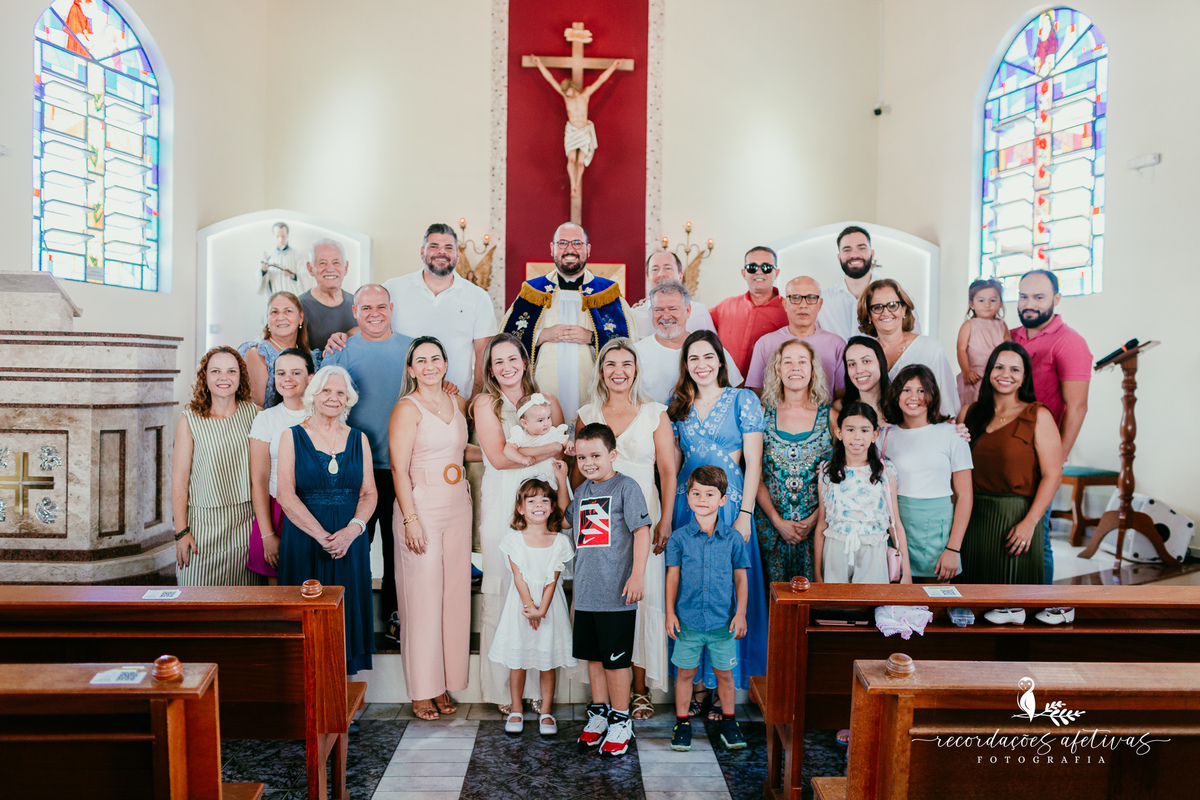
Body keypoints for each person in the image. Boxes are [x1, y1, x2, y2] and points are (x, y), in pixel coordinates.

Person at [576, 338, 677, 720]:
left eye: (626, 364)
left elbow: (667, 470)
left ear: (635, 369)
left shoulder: (654, 413)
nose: (618, 371)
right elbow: (579, 474)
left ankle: (639, 691)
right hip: (600, 519)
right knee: (606, 598)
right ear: (601, 371)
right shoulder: (587, 413)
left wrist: (665, 517)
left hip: (643, 515)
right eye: (610, 364)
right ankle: (603, 699)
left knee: (641, 595)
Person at [669, 330, 767, 717]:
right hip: (687, 505)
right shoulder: (677, 405)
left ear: (721, 361)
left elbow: (754, 462)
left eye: (709, 356)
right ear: (686, 365)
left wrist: (745, 514)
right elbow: (674, 464)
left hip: (730, 506)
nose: (702, 365)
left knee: (725, 588)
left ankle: (719, 686)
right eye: (694, 358)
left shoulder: (744, 400)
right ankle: (694, 685)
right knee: (692, 589)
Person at [471, 334, 567, 715]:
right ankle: (501, 690)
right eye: (498, 362)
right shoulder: (484, 403)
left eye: (513, 358)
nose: (506, 367)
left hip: (541, 501)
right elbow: (496, 458)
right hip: (502, 503)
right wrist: (547, 449)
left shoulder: (550, 402)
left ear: (525, 362)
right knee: (502, 590)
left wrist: (526, 453)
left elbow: (565, 453)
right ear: (490, 369)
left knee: (541, 582)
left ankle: (535, 689)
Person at [389, 337, 477, 720]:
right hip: (422, 505)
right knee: (422, 601)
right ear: (411, 369)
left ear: (444, 363)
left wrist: (521, 451)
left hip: (458, 503)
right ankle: (421, 689)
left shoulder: (456, 403)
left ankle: (443, 682)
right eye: (420, 360)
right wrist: (410, 518)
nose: (429, 366)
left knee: (453, 599)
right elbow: (398, 467)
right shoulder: (406, 409)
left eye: (435, 359)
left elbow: (464, 451)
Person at [322, 284, 414, 643]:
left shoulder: (411, 348)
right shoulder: (341, 350)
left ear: (391, 307)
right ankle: (353, 621)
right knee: (355, 547)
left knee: (399, 548)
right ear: (354, 312)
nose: (374, 313)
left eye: (381, 306)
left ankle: (395, 617)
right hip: (354, 468)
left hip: (401, 467)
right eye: (366, 307)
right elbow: (324, 404)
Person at [275, 366, 377, 674]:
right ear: (312, 395)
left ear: (349, 400)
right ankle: (306, 704)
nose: (333, 397)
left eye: (340, 392)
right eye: (326, 391)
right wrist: (322, 537)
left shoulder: (360, 439)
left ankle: (342, 701)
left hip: (350, 544)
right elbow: (285, 495)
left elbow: (369, 494)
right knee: (306, 620)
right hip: (305, 541)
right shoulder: (291, 437)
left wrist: (351, 532)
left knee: (346, 616)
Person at [565, 422, 651, 758]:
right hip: (587, 592)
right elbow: (568, 522)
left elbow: (642, 532)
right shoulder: (582, 490)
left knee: (616, 662)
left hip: (617, 593)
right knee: (594, 659)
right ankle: (599, 715)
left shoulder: (626, 488)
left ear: (612, 454)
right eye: (582, 456)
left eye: (596, 455)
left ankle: (620, 720)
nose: (588, 462)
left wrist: (637, 575)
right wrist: (561, 480)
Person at [500, 222, 635, 421]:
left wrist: (591, 337)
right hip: (543, 392)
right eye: (562, 243)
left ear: (588, 249)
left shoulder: (607, 294)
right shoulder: (532, 292)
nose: (570, 249)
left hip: (593, 392)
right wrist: (543, 335)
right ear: (552, 248)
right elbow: (505, 343)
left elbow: (629, 345)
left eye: (577, 243)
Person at [957, 343, 1063, 593]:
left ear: (1025, 376)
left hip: (1016, 519)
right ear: (989, 371)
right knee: (971, 598)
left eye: (1015, 369)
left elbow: (1053, 475)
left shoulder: (1038, 415)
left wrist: (1030, 522)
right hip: (972, 518)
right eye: (999, 367)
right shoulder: (968, 414)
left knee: (1014, 602)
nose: (1006, 374)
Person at [1011, 269, 1092, 585]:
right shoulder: (1011, 334)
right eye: (1023, 296)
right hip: (1007, 446)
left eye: (1038, 297)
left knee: (1037, 531)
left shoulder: (1069, 342)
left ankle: (1045, 602)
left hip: (1040, 453)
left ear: (1056, 299)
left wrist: (1057, 459)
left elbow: (1077, 406)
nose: (1029, 304)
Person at [666, 466, 749, 753]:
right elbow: (673, 577)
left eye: (710, 494)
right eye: (696, 493)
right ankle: (682, 723)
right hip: (687, 622)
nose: (702, 499)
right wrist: (669, 613)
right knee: (685, 674)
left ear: (723, 499)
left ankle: (729, 722)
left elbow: (741, 577)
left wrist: (740, 614)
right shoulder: (679, 538)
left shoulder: (734, 539)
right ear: (687, 497)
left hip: (722, 623)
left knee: (725, 675)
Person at [488, 476, 576, 737]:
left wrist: (542, 610)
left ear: (552, 507)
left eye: (545, 500)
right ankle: (516, 709)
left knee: (547, 662)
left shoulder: (560, 541)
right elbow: (518, 576)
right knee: (519, 662)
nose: (539, 504)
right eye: (532, 500)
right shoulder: (514, 539)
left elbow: (553, 580)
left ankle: (546, 711)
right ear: (520, 507)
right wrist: (530, 606)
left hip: (550, 605)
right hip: (521, 604)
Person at [368, 223, 497, 397]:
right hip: (399, 398)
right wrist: (344, 336)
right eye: (434, 246)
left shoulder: (478, 297)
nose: (441, 252)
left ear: (457, 254)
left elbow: (484, 353)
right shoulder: (393, 288)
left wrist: (474, 400)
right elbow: (370, 326)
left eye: (448, 247)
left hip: (455, 402)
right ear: (422, 252)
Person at [172, 347, 259, 586]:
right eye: (216, 371)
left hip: (245, 524)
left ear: (240, 377)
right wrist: (181, 532)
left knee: (244, 607)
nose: (224, 377)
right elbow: (179, 480)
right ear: (205, 377)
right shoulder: (189, 419)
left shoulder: (255, 414)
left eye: (231, 371)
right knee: (196, 604)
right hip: (201, 526)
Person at [880, 365, 973, 582]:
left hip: (938, 532)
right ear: (896, 395)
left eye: (921, 390)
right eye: (907, 390)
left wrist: (953, 549)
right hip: (895, 526)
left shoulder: (953, 433)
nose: (914, 397)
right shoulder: (883, 436)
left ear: (932, 395)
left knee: (936, 600)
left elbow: (965, 496)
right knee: (896, 600)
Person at [754, 339, 833, 585]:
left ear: (813, 370)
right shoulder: (761, 414)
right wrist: (778, 522)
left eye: (802, 361)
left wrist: (815, 519)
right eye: (787, 362)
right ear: (778, 370)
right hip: (770, 528)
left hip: (818, 529)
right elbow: (753, 474)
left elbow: (843, 476)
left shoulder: (830, 417)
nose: (794, 367)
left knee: (814, 605)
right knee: (773, 605)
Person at [814, 402, 912, 586]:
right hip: (836, 550)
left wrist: (905, 571)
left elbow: (895, 524)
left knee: (869, 607)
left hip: (873, 550)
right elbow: (821, 524)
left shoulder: (885, 472)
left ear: (875, 435)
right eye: (850, 429)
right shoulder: (827, 472)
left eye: (865, 430)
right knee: (836, 608)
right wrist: (817, 573)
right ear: (839, 433)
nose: (857, 436)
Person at [248, 348, 314, 584]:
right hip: (276, 513)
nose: (287, 379)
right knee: (279, 592)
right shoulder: (266, 419)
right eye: (281, 373)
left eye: (296, 372)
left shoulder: (324, 415)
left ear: (311, 378)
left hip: (317, 510)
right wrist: (267, 533)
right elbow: (259, 479)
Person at [858, 279, 959, 418]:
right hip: (879, 433)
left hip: (924, 431)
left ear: (904, 309)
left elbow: (947, 404)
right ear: (869, 314)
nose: (886, 312)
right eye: (877, 307)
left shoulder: (929, 347)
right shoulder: (864, 353)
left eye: (893, 305)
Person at [531, 55, 628, 198]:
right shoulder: (566, 98)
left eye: (567, 91)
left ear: (572, 87)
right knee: (571, 160)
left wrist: (614, 66)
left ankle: (577, 182)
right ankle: (573, 186)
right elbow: (550, 80)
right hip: (572, 130)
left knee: (580, 163)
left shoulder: (585, 95)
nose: (566, 94)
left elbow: (601, 80)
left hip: (583, 131)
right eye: (565, 92)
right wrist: (539, 64)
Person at [633, 280, 743, 404]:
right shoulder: (636, 352)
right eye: (659, 309)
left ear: (688, 311)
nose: (666, 316)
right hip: (652, 422)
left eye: (673, 309)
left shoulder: (710, 349)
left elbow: (736, 391)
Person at [818, 225, 921, 341]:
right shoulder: (823, 302)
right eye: (847, 250)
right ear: (839, 257)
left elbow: (915, 342)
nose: (854, 255)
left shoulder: (898, 296)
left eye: (861, 248)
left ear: (872, 253)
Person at [746, 276, 846, 394]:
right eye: (795, 298)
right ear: (785, 304)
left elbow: (842, 396)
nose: (803, 305)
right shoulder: (765, 343)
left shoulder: (836, 344)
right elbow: (756, 395)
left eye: (811, 298)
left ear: (820, 304)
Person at [709, 246, 788, 377]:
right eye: (752, 267)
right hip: (725, 388)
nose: (759, 272)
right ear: (743, 273)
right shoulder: (725, 306)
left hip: (768, 390)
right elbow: (696, 321)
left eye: (766, 267)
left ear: (776, 273)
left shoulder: (789, 310)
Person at [238, 291, 313, 409]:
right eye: (274, 312)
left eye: (288, 311)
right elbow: (256, 408)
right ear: (267, 319)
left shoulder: (310, 356)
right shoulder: (258, 354)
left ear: (300, 317)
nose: (281, 317)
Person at [629, 251, 715, 339]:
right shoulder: (634, 315)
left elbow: (714, 348)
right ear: (647, 277)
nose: (661, 274)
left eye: (668, 268)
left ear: (680, 275)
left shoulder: (700, 311)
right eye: (655, 269)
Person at [956, 278, 1010, 407]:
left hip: (997, 374)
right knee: (974, 407)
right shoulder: (969, 325)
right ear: (972, 304)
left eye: (993, 300)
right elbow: (961, 349)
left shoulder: (1002, 325)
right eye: (981, 300)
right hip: (975, 376)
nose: (987, 304)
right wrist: (966, 371)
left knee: (995, 406)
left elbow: (1009, 349)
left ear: (1000, 303)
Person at [298, 239, 357, 351]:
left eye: (336, 262)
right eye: (322, 263)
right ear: (310, 268)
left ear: (346, 267)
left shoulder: (358, 304)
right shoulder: (298, 306)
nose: (330, 269)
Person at [832, 336, 891, 426]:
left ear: (880, 362)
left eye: (866, 361)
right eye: (852, 364)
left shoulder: (899, 403)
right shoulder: (840, 407)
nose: (859, 370)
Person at [504, 394, 571, 472]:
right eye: (540, 420)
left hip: (550, 475)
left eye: (548, 417)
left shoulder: (552, 432)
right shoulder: (521, 436)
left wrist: (569, 446)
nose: (547, 423)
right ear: (525, 423)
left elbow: (565, 442)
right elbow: (508, 450)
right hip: (528, 477)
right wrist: (522, 459)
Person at [259, 221, 309, 296]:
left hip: (292, 296)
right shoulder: (270, 256)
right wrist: (264, 271)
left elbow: (305, 275)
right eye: (277, 236)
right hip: (276, 295)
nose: (280, 240)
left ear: (287, 235)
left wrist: (293, 275)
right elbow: (263, 283)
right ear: (274, 236)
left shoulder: (297, 254)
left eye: (283, 236)